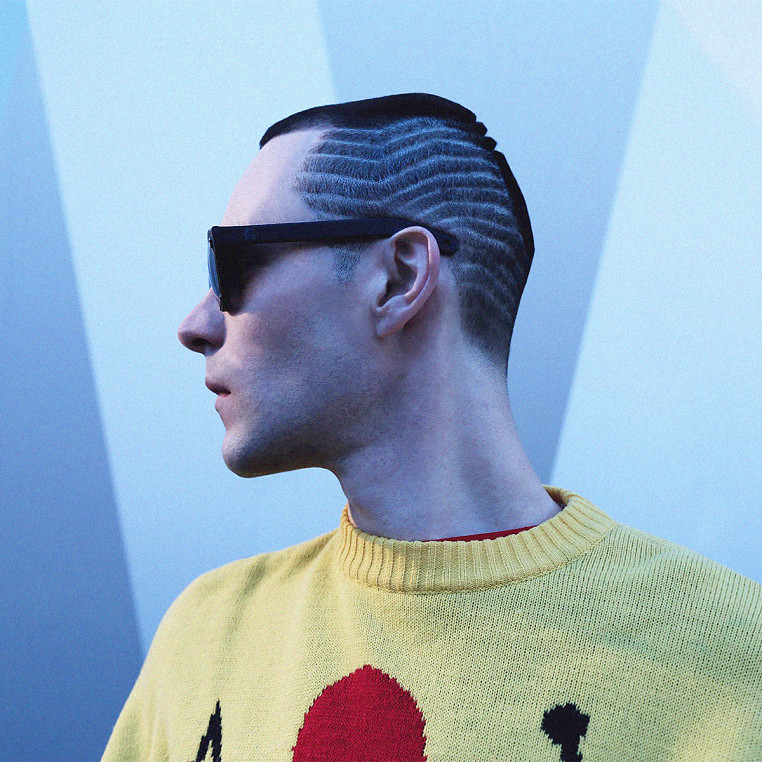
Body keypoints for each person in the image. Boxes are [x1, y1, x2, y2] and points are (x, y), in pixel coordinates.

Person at [103, 94, 761, 761]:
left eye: (233, 265)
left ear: (399, 278)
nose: (195, 325)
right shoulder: (204, 640)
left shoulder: (735, 657)